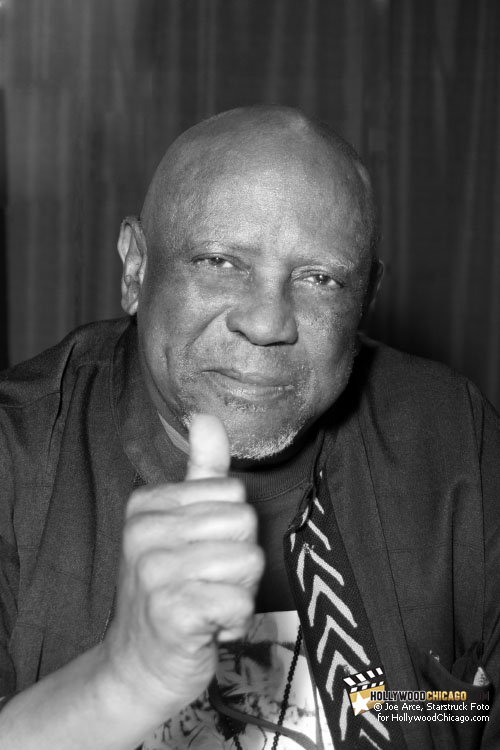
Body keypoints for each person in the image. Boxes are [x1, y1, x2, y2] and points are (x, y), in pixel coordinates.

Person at [0, 105, 499, 750]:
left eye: (319, 279)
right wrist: (121, 684)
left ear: (365, 299)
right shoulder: (17, 456)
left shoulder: (448, 433)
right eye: (219, 262)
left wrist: (416, 711)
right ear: (136, 269)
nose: (268, 322)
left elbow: (468, 713)